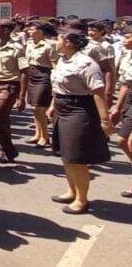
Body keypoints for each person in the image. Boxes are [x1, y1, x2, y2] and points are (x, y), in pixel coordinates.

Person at [47, 26, 112, 214]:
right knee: (66, 154)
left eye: (59, 39)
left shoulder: (86, 64)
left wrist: (105, 121)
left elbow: (98, 92)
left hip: (79, 110)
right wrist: (52, 105)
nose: (56, 42)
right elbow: (58, 86)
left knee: (76, 158)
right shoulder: (63, 59)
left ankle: (81, 199)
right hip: (62, 107)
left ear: (68, 42)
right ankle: (72, 191)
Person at [0, 19, 27, 164]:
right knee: (3, 120)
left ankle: (9, 150)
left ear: (5, 30)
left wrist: (21, 97)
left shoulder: (17, 48)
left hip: (10, 86)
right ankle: (5, 151)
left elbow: (24, 72)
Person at [25, 21, 59, 148]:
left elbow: (55, 65)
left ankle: (45, 136)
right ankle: (37, 133)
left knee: (39, 107)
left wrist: (55, 81)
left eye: (32, 29)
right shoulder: (29, 43)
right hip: (32, 74)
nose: (29, 31)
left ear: (40, 32)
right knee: (34, 106)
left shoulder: (50, 45)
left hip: (44, 75)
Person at [110, 25, 132, 198]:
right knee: (122, 140)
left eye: (128, 37)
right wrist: (117, 108)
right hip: (130, 99)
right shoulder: (127, 56)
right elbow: (125, 84)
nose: (124, 40)